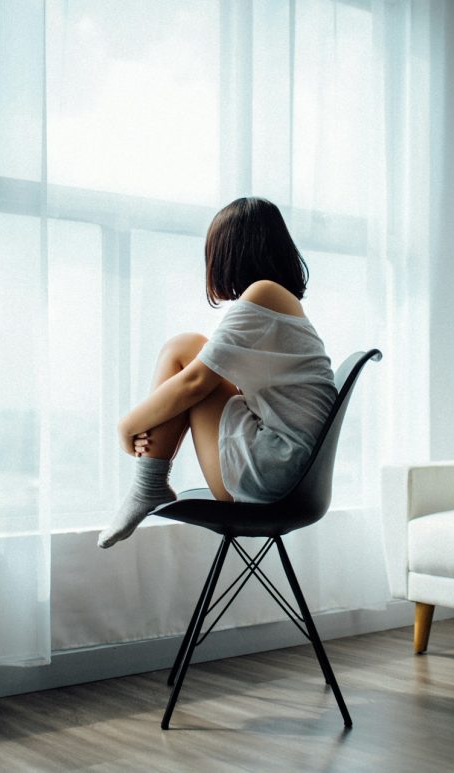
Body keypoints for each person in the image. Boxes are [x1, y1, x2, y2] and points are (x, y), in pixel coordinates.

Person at [98, 197, 337, 549]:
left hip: (273, 476)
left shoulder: (264, 294)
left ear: (229, 253)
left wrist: (127, 425)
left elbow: (196, 383)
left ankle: (147, 484)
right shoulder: (280, 302)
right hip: (289, 473)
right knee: (189, 348)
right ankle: (148, 484)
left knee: (183, 351)